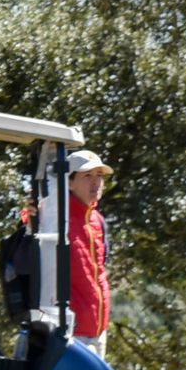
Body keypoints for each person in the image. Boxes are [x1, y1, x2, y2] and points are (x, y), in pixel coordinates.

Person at [60, 150, 114, 357]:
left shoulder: (98, 220)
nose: (96, 182)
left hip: (99, 333)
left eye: (99, 175)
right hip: (72, 335)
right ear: (69, 182)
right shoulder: (55, 218)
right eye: (87, 175)